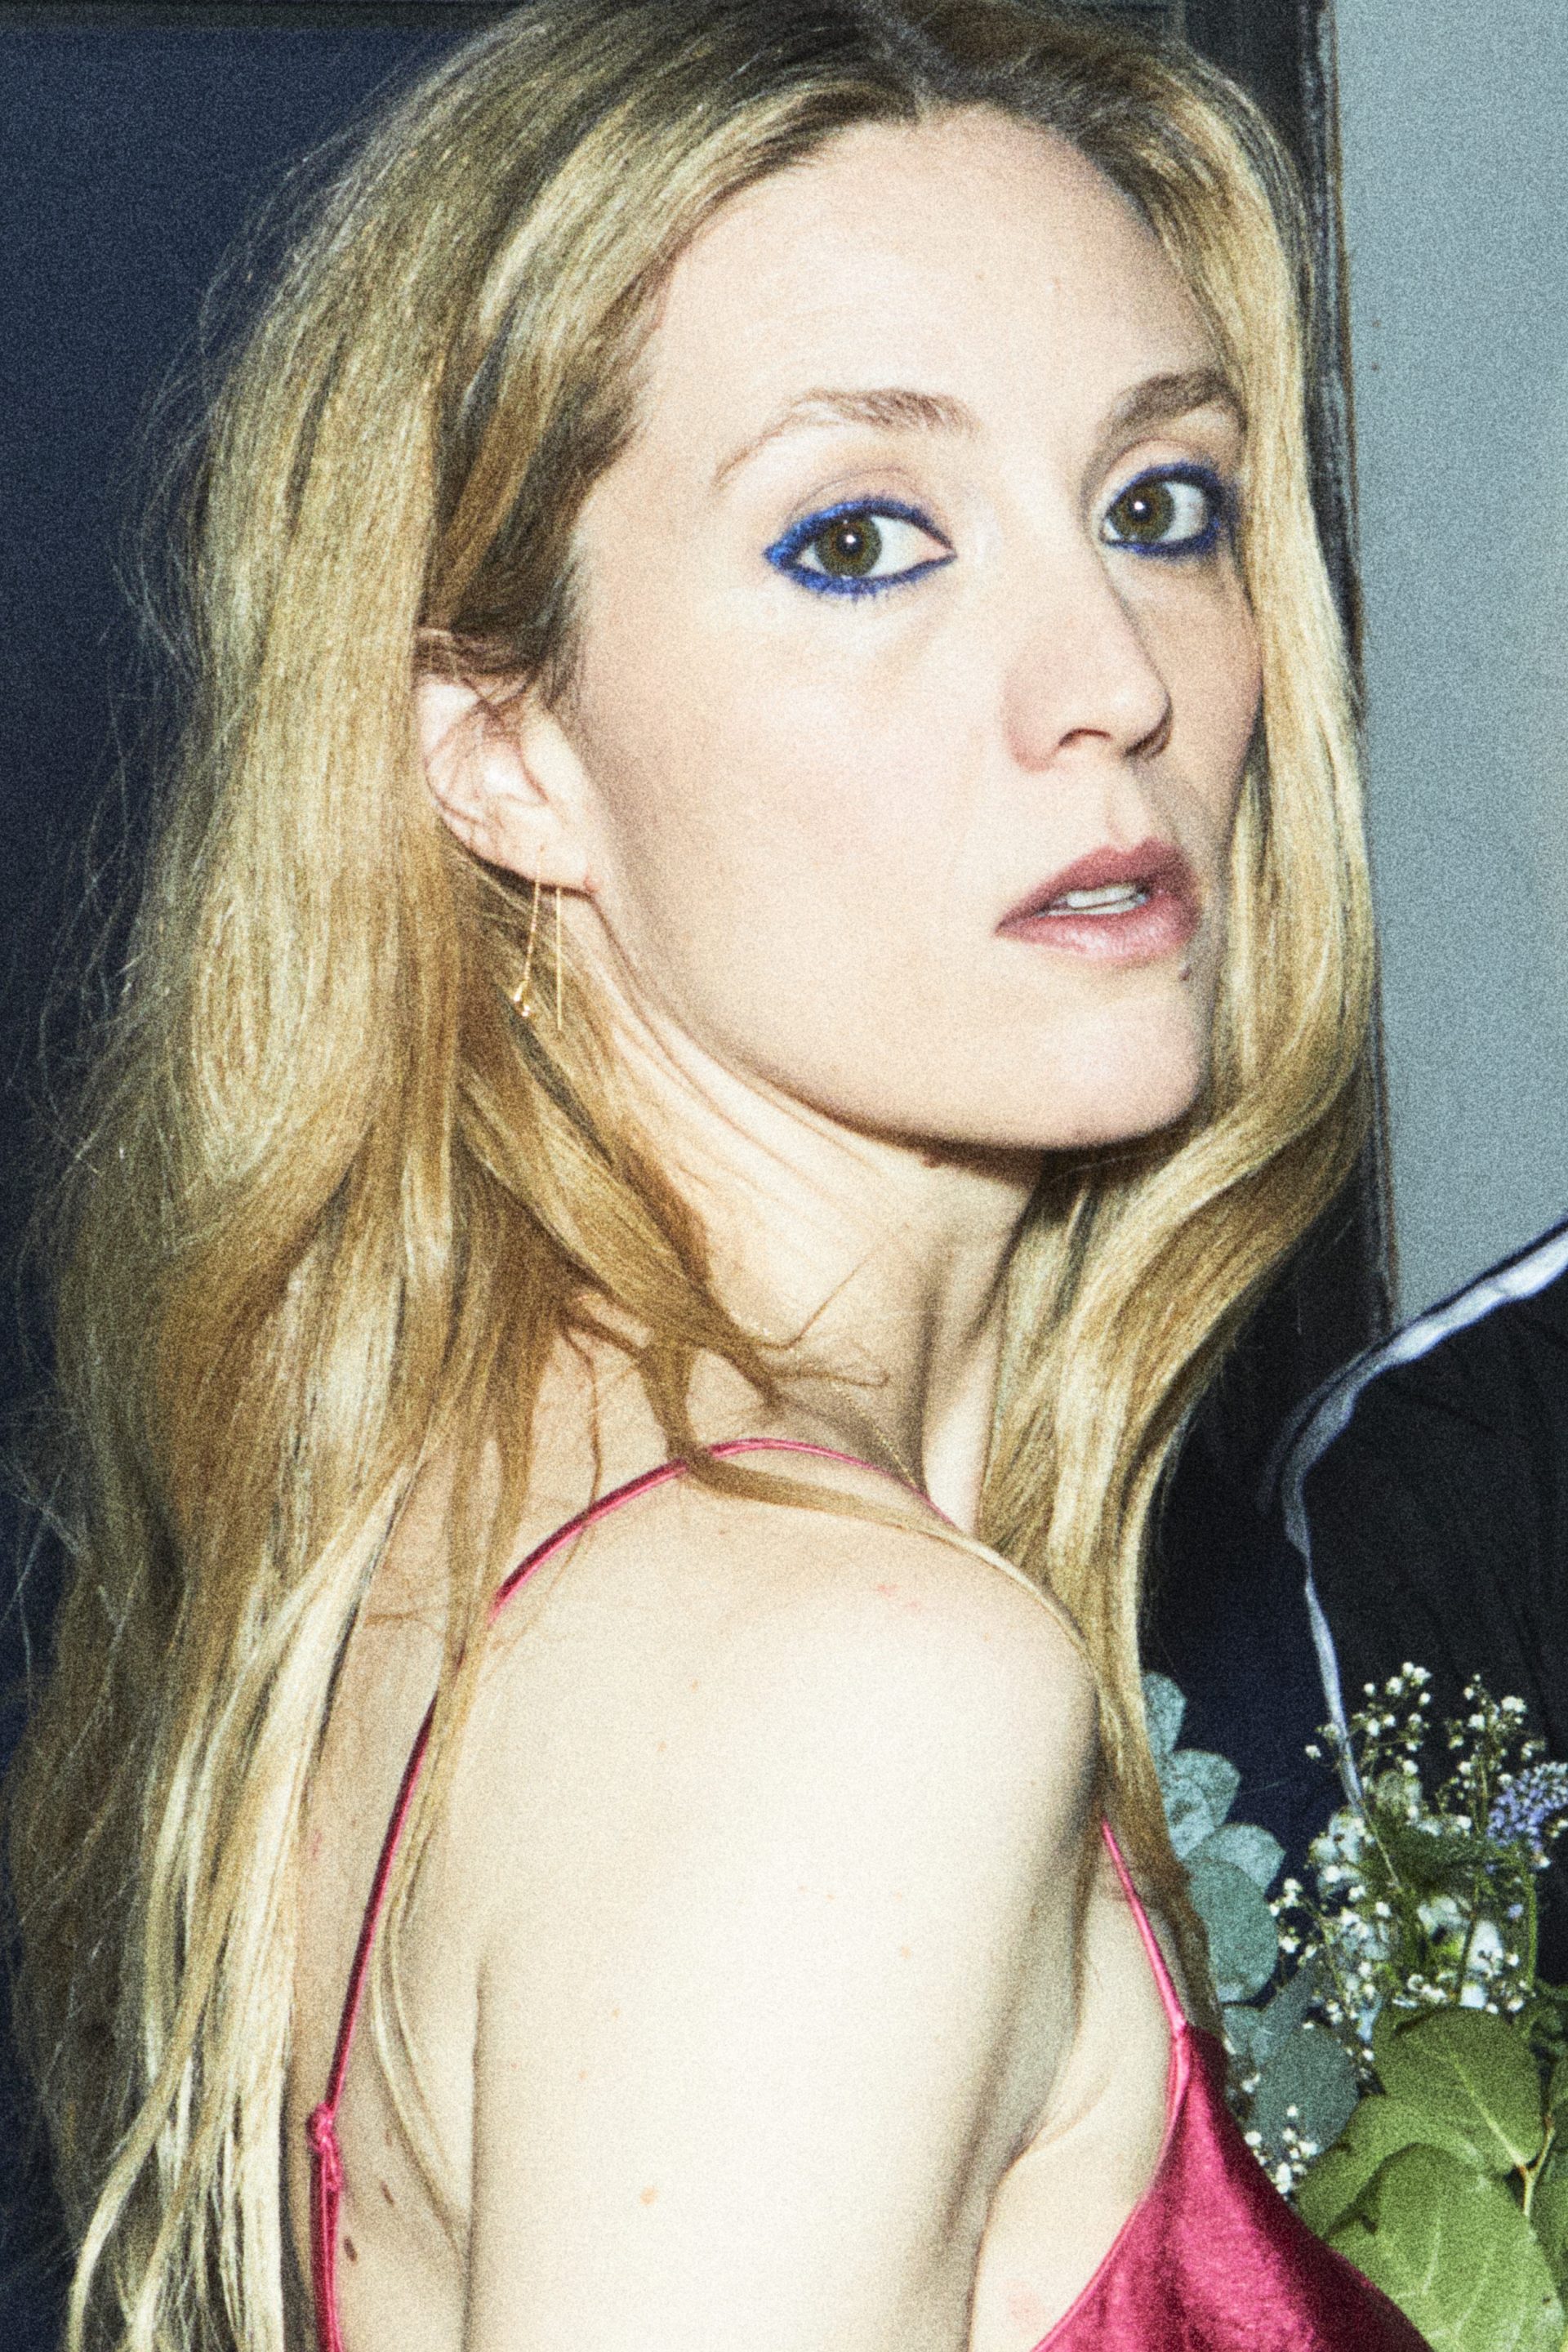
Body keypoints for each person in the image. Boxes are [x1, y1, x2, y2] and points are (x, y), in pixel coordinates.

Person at [4, 3, 1423, 2347]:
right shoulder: (839, 1692)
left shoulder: (465, 1554)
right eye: (860, 541)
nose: (1113, 676)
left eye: (1160, 505)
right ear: (506, 751)